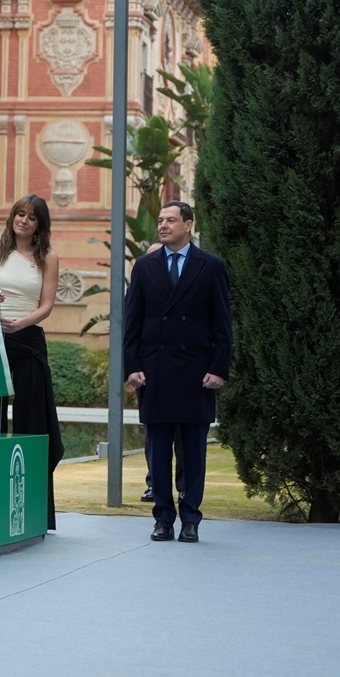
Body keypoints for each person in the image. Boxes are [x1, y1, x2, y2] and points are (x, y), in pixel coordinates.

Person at [122, 201, 232, 544]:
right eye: (160, 220)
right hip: (154, 372)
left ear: (189, 225)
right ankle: (163, 519)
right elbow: (132, 322)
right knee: (157, 452)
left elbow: (222, 324)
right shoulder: (144, 266)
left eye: (171, 220)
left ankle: (191, 520)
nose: (163, 225)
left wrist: (218, 368)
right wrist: (132, 367)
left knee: (194, 451)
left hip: (196, 373)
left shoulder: (210, 266)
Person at [0, 196, 67, 488]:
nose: (24, 220)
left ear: (39, 225)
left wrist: (20, 323)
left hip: (29, 340)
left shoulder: (48, 258)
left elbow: (46, 305)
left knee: (33, 416)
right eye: (20, 214)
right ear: (12, 217)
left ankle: (31, 490)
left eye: (32, 217)